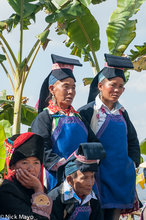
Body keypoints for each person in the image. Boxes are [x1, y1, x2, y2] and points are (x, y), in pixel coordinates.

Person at [78, 54, 141, 219]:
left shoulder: (122, 112)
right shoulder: (87, 112)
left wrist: (132, 163)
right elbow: (80, 143)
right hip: (97, 180)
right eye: (113, 85)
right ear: (100, 85)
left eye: (121, 87)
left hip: (120, 179)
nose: (117, 90)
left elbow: (133, 142)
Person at [31, 54, 99, 190]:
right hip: (56, 179)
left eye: (73, 87)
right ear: (52, 89)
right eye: (66, 86)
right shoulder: (46, 117)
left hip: (83, 179)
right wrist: (65, 167)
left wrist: (88, 165)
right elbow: (41, 148)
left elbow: (93, 143)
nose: (71, 92)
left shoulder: (79, 117)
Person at [0, 132, 52, 219]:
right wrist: (38, 190)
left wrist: (38, 189)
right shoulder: (7, 191)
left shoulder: (38, 187)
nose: (31, 168)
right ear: (13, 166)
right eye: (25, 162)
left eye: (36, 163)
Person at [48, 142, 106, 220]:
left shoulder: (93, 199)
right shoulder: (55, 199)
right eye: (84, 178)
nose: (90, 183)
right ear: (69, 180)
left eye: (92, 177)